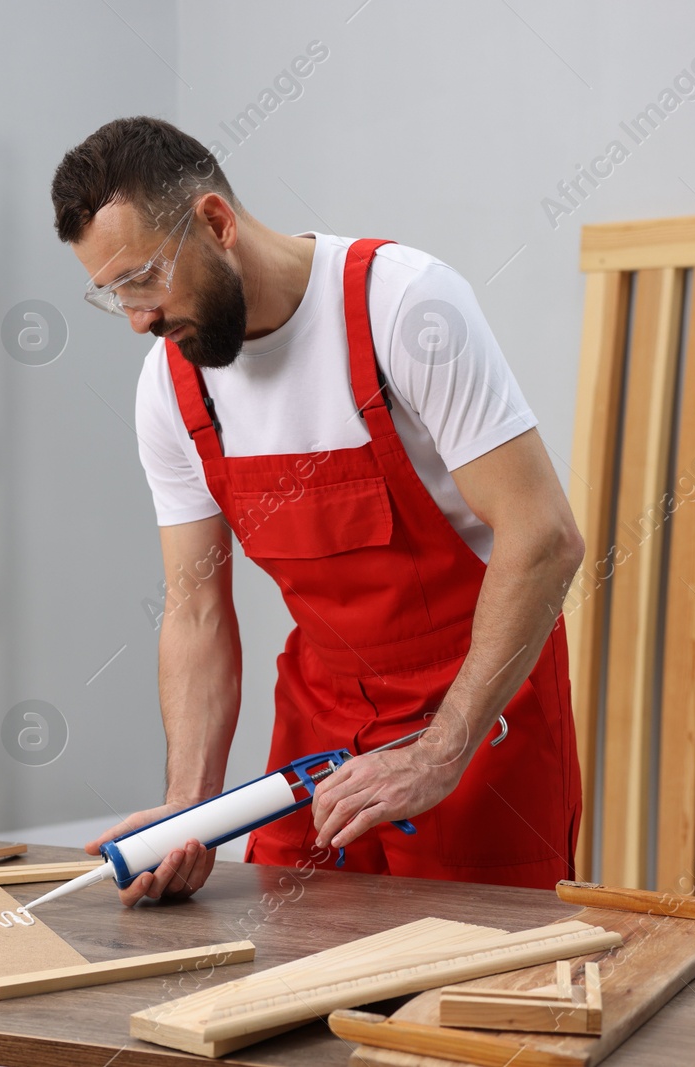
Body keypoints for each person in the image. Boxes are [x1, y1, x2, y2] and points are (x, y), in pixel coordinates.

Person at [49, 116, 583, 906]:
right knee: (297, 979)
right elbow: (195, 610)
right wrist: (187, 809)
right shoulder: (173, 385)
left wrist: (441, 750)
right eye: (113, 294)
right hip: (319, 733)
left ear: (216, 223)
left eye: (143, 279)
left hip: (477, 729)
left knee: (478, 992)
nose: (137, 318)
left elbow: (544, 537)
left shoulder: (402, 305)